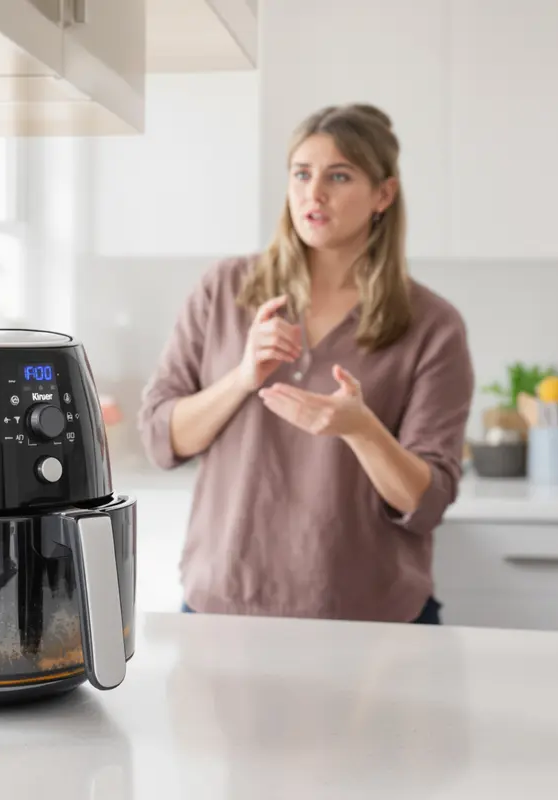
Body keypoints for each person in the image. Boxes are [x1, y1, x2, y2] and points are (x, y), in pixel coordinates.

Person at [137, 103, 474, 625]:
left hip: (369, 617)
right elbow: (161, 440)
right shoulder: (224, 289)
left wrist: (362, 430)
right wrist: (242, 377)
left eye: (339, 176)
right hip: (225, 605)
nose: (313, 193)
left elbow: (425, 503)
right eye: (301, 174)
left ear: (383, 195)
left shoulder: (432, 325)